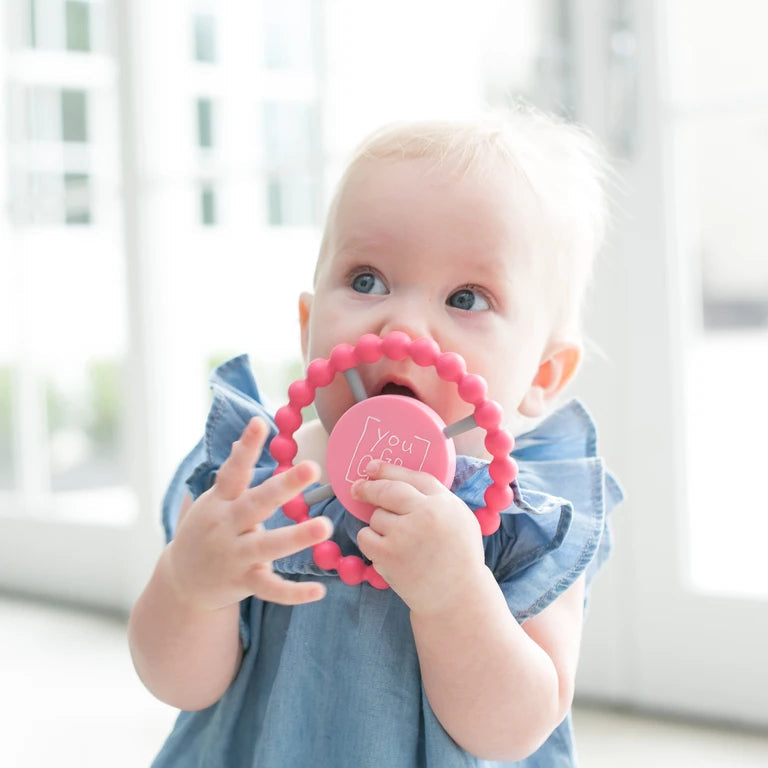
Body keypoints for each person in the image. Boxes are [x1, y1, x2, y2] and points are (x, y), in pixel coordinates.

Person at [129, 105, 623, 767]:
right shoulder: (249, 482)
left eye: (467, 298)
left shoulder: (525, 523)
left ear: (542, 374)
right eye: (367, 281)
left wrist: (455, 595)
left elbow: (513, 733)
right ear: (309, 327)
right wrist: (192, 587)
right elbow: (180, 684)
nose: (403, 327)